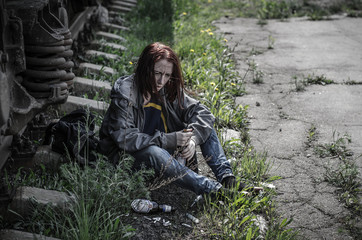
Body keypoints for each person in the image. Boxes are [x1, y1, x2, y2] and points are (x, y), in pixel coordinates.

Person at [98, 42, 241, 196]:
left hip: (162, 153)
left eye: (167, 75)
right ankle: (213, 190)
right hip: (127, 160)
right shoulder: (126, 93)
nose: (161, 81)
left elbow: (203, 113)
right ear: (145, 69)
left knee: (202, 126)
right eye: (157, 73)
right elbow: (125, 138)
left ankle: (227, 179)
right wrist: (169, 140)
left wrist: (192, 139)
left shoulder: (167, 89)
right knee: (153, 152)